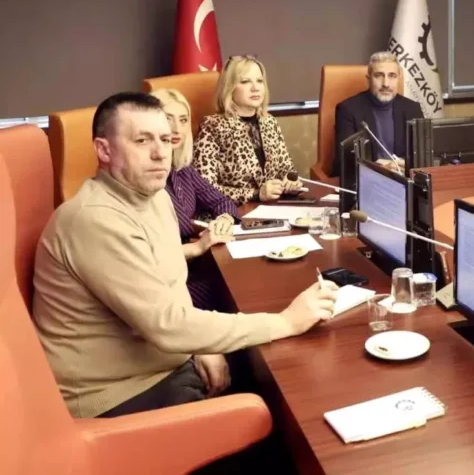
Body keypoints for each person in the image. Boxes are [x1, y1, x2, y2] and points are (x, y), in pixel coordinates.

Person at [31, 92, 338, 419]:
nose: (160, 153)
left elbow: (171, 287)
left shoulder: (155, 197)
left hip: (159, 361)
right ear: (104, 150)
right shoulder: (94, 219)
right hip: (113, 396)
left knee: (282, 371)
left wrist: (199, 345)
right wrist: (286, 321)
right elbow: (167, 325)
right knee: (278, 396)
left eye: (165, 139)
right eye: (142, 140)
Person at [151, 88, 240, 310]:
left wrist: (225, 219)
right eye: (168, 119)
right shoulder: (147, 179)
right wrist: (199, 246)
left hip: (192, 268)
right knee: (235, 294)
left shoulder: (183, 171)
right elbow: (150, 257)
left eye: (183, 120)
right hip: (167, 285)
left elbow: (222, 201)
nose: (176, 128)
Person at [194, 55, 301, 205]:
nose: (255, 88)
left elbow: (286, 168)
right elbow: (204, 189)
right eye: (245, 81)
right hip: (232, 212)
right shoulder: (212, 127)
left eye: (260, 81)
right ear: (229, 88)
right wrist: (256, 194)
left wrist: (291, 181)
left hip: (272, 209)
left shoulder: (269, 121)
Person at [333, 51, 423, 175]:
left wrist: (406, 165)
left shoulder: (412, 108)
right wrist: (380, 168)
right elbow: (344, 162)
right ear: (368, 79)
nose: (386, 84)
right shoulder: (348, 110)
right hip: (367, 179)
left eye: (392, 76)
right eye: (379, 76)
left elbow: (422, 156)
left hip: (404, 178)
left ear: (399, 79)